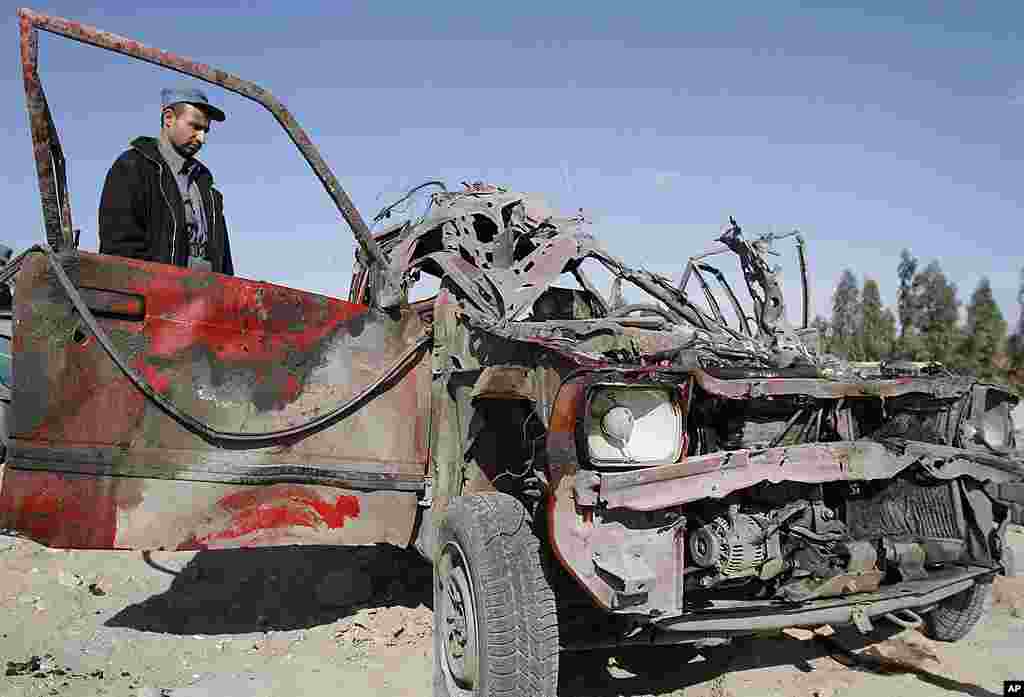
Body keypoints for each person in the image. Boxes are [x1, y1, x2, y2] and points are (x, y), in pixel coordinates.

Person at [98, 87, 234, 275]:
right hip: (156, 296)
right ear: (169, 118)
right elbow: (120, 250)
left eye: (205, 131)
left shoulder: (208, 190)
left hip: (209, 297)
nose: (202, 138)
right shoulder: (132, 168)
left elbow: (224, 261)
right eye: (195, 126)